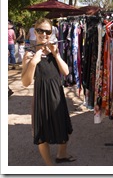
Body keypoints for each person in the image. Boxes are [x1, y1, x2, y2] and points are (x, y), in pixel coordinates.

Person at [21, 18, 76, 166]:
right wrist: (33, 62)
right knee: (42, 133)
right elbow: (25, 83)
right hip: (41, 97)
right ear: (35, 31)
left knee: (63, 126)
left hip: (57, 95)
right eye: (40, 31)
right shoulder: (29, 54)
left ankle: (61, 154)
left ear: (52, 33)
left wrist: (56, 54)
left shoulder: (54, 50)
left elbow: (65, 72)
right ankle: (49, 167)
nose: (44, 34)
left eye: (48, 31)